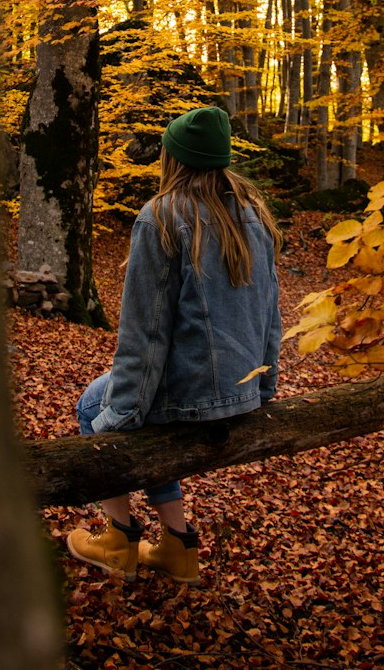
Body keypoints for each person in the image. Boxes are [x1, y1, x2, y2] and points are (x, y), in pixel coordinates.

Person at [66, 105, 282, 586]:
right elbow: (271, 315)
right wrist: (263, 388)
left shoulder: (161, 216)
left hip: (192, 393)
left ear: (174, 158)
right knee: (136, 413)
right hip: (241, 390)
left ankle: (118, 539)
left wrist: (119, 417)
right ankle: (177, 546)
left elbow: (144, 333)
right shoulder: (252, 214)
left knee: (91, 406)